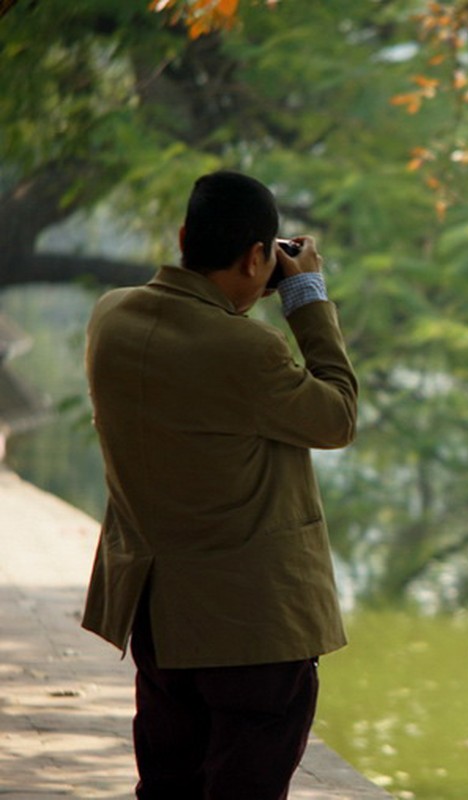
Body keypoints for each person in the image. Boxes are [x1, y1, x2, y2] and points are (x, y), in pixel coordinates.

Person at [82, 170, 358, 799]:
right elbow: (337, 416)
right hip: (253, 633)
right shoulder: (248, 352)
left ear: (184, 236)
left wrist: (246, 287)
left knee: (168, 787)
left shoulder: (111, 318)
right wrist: (306, 294)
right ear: (259, 256)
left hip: (159, 621)